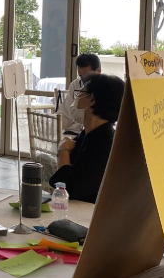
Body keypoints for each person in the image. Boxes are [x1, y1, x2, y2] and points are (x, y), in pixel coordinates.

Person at [49, 73, 124, 203]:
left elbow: (67, 187)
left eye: (79, 93)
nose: (76, 98)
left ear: (92, 99)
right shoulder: (87, 134)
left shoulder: (105, 145)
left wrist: (63, 150)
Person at [56, 53, 102, 134]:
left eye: (87, 76)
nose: (84, 79)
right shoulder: (76, 84)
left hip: (97, 131)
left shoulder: (106, 87)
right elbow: (66, 113)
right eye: (80, 75)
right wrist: (55, 130)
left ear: (98, 71)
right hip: (74, 131)